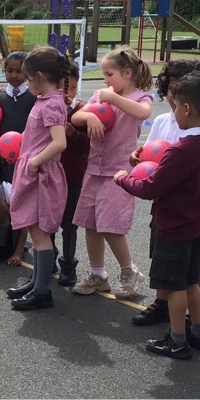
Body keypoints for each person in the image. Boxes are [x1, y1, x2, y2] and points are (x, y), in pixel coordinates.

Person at [115, 71, 200, 362]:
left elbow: (151, 187)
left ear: (186, 109)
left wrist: (123, 178)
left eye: (175, 106)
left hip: (175, 228)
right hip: (199, 226)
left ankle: (177, 341)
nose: (173, 111)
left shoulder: (181, 149)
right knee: (190, 282)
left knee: (175, 287)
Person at [69, 47, 154, 300]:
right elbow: (76, 118)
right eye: (104, 75)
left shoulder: (140, 98)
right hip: (94, 169)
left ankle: (130, 272)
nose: (105, 80)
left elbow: (143, 114)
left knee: (111, 225)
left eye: (109, 74)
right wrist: (90, 117)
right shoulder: (100, 95)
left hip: (119, 172)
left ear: (127, 73)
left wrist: (113, 98)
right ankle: (98, 275)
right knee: (91, 223)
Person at [3, 47, 70, 309]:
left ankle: (42, 290)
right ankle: (36, 282)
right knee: (34, 229)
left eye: (28, 78)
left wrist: (34, 162)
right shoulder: (44, 101)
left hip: (41, 177)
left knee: (41, 236)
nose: (26, 82)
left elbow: (60, 142)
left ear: (40, 77)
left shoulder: (52, 104)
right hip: (33, 174)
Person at [56, 60, 91, 286]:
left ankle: (68, 266)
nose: (67, 93)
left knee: (69, 224)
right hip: (48, 175)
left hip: (73, 176)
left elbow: (91, 146)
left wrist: (73, 134)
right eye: (63, 87)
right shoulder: (43, 107)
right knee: (45, 221)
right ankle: (46, 261)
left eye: (72, 88)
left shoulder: (83, 111)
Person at [0, 50, 35, 153]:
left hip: (26, 151)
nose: (13, 75)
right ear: (4, 71)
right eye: (9, 71)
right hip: (0, 152)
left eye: (18, 71)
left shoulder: (34, 97)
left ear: (27, 72)